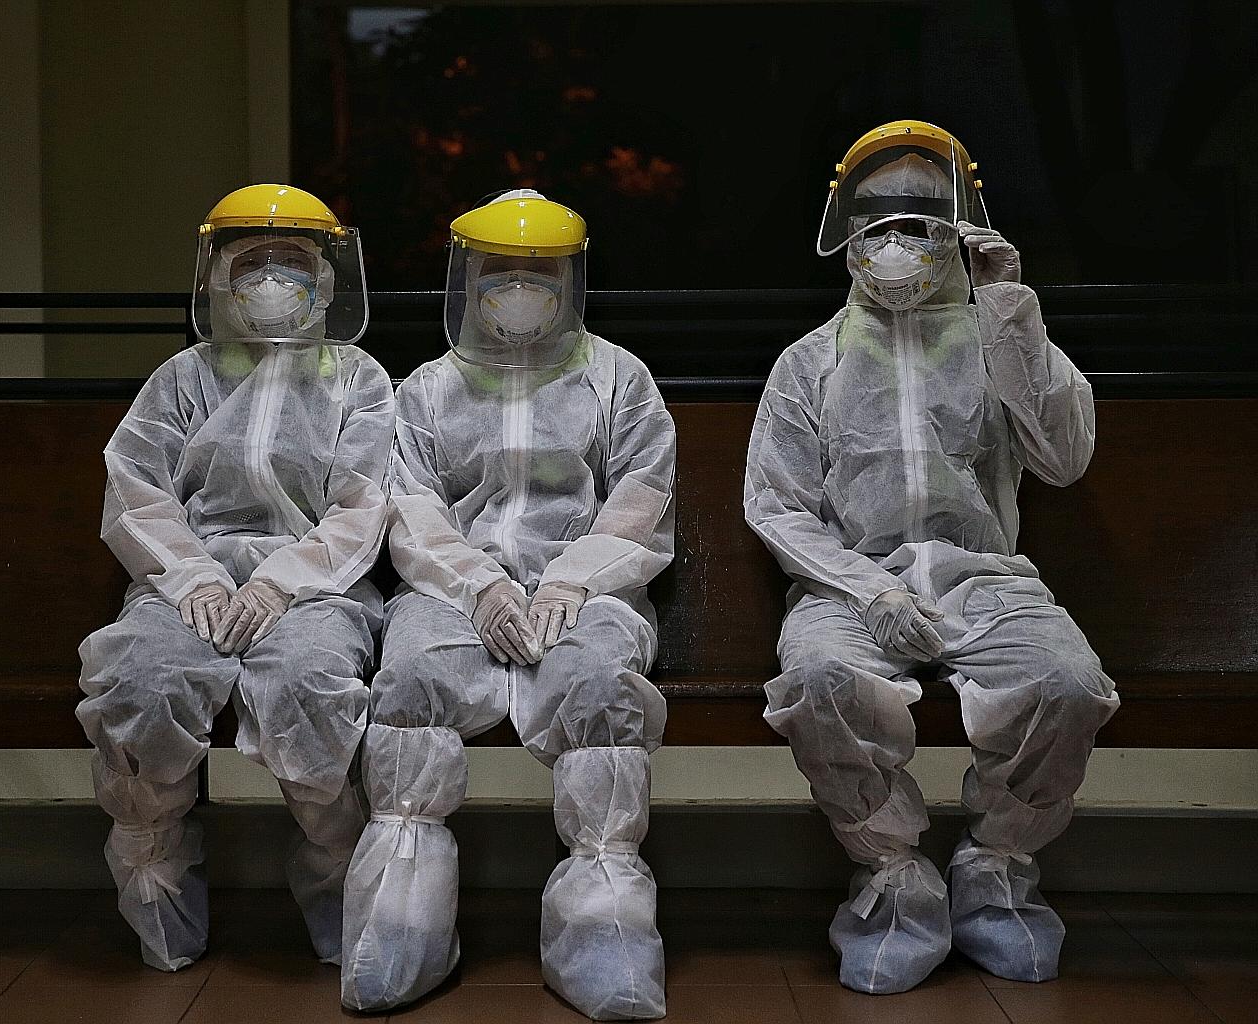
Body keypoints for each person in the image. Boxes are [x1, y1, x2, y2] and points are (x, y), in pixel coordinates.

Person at [744, 121, 1120, 994]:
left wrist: (1011, 310)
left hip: (983, 580)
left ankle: (996, 869)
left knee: (1067, 683)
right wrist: (868, 589)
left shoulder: (997, 338)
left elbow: (1064, 457)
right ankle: (891, 876)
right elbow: (777, 504)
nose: (897, 240)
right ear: (847, 229)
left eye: (919, 220)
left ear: (959, 224)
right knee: (817, 680)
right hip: (851, 587)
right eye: (876, 219)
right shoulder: (811, 361)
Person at [341, 190, 676, 1020]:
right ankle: (403, 933)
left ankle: (604, 936)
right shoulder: (428, 390)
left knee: (600, 692)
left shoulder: (618, 379)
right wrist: (479, 584)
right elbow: (412, 507)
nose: (519, 290)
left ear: (571, 279)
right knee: (409, 680)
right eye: (501, 273)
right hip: (451, 592)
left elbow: (641, 501)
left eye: (540, 273)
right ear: (468, 278)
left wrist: (574, 578)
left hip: (588, 592)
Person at [76, 184, 394, 972]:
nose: (273, 280)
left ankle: (337, 869)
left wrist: (280, 582)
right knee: (143, 681)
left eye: (294, 263)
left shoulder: (357, 380)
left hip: (317, 587)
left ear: (328, 279)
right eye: (253, 263)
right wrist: (194, 578)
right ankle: (154, 868)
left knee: (307, 685)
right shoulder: (182, 378)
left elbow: (362, 505)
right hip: (186, 584)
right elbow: (136, 491)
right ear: (217, 277)